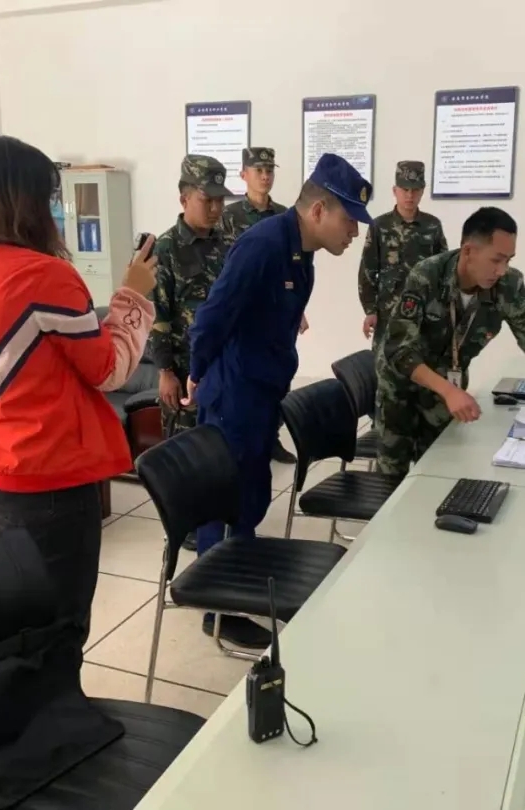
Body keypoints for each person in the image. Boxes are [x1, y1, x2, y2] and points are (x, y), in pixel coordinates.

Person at [0, 133, 157, 658]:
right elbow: (109, 370)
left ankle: (12, 706)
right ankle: (55, 709)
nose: (56, 211)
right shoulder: (43, 275)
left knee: (4, 620)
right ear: (22, 200)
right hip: (44, 480)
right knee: (58, 627)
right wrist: (132, 294)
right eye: (49, 198)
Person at [182, 153, 372, 648]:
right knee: (227, 499)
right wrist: (197, 374)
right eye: (349, 220)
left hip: (262, 392)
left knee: (252, 493)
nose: (354, 233)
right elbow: (212, 316)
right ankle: (218, 608)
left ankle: (239, 579)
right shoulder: (263, 245)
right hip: (234, 394)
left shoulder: (300, 253)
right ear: (319, 211)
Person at [376, 206, 525, 478]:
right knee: (392, 480)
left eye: (508, 260)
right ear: (469, 251)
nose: (502, 270)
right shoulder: (427, 276)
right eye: (496, 260)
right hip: (400, 392)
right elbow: (400, 350)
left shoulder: (507, 284)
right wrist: (448, 391)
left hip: (447, 392)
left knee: (437, 471)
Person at [149, 155, 234, 552]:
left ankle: (213, 524)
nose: (216, 208)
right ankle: (184, 528)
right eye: (207, 199)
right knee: (185, 455)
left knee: (217, 454)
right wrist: (165, 371)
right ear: (184, 198)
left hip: (220, 371)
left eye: (220, 200)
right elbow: (158, 316)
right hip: (182, 371)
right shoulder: (165, 249)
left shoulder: (227, 244)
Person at [219, 146, 300, 465]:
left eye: (269, 171)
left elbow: (292, 264)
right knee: (245, 377)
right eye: (258, 171)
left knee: (279, 374)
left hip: (278, 310)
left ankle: (271, 437)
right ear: (244, 175)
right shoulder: (229, 217)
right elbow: (223, 266)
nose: (265, 176)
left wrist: (298, 306)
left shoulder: (284, 215)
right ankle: (243, 442)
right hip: (244, 311)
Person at [358, 160, 448, 354]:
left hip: (423, 316)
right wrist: (370, 310)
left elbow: (444, 271)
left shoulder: (432, 226)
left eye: (415, 190)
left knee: (421, 364)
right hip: (387, 315)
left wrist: (441, 310)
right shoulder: (379, 226)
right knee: (383, 366)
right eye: (404, 189)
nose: (409, 195)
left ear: (422, 191)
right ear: (395, 190)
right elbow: (367, 271)